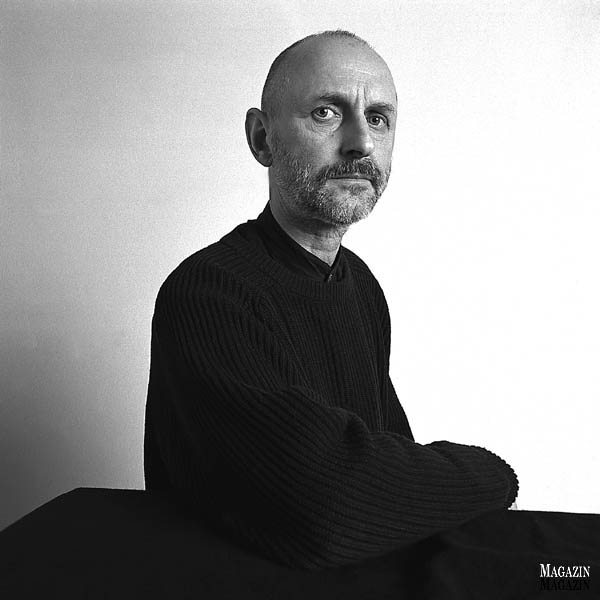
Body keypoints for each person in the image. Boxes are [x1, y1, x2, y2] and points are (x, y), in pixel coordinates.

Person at [144, 30, 518, 570]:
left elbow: (393, 471)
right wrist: (495, 475)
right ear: (262, 139)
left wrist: (419, 485)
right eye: (326, 113)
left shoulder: (360, 286)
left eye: (379, 119)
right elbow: (327, 505)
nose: (361, 143)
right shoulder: (207, 294)